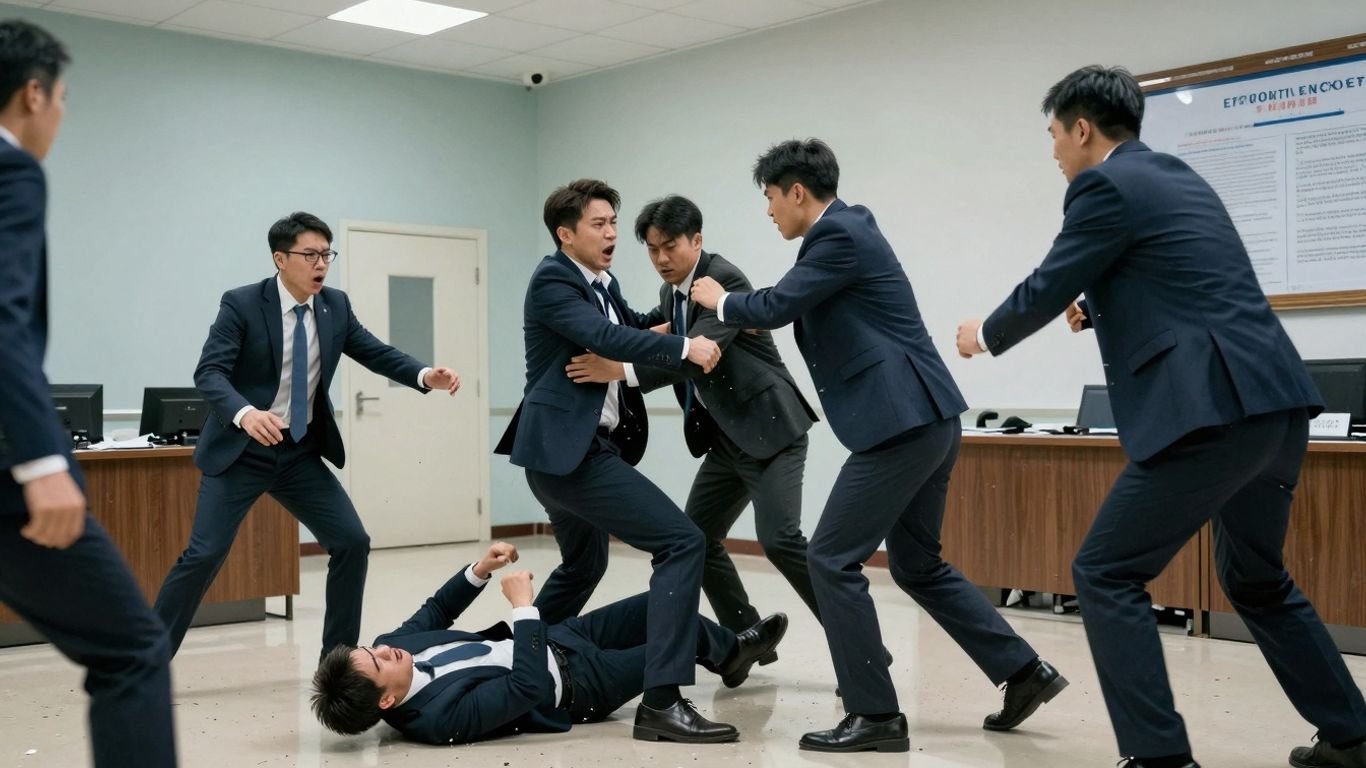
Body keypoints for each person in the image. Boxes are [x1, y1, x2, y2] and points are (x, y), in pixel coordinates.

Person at [954, 65, 1366, 768]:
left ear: (1082, 129)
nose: (1053, 151)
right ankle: (1354, 736)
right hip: (1276, 406)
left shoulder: (1101, 185)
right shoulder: (1175, 175)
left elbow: (1051, 280)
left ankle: (1158, 758)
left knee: (1105, 571)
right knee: (1257, 581)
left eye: (1054, 135)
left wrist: (985, 335)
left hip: (1213, 414)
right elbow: (1185, 278)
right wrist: (1104, 304)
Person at [691, 139, 1065, 753]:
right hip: (927, 420)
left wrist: (720, 299)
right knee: (918, 566)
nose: (768, 213)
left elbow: (778, 303)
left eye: (769, 199)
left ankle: (876, 715)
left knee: (831, 558)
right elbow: (788, 308)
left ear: (797, 193)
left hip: (902, 426)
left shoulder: (837, 235)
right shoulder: (844, 236)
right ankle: (1026, 672)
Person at [153, 211, 462, 659]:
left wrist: (423, 374)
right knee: (203, 555)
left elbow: (373, 351)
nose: (321, 264)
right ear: (280, 258)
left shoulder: (334, 306)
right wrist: (243, 413)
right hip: (241, 452)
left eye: (326, 254)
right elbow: (210, 372)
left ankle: (335, 663)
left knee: (352, 542)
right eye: (310, 255)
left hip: (297, 454)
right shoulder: (241, 304)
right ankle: (148, 661)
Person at [494, 179, 736, 743]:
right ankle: (662, 700)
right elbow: (602, 335)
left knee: (584, 566)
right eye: (599, 225)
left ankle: (513, 660)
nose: (611, 235)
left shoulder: (601, 280)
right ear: (566, 233)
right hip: (570, 455)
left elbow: (627, 325)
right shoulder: (553, 279)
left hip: (565, 456)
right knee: (682, 542)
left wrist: (688, 306)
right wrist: (683, 348)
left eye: (611, 223)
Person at [0, 19, 177, 766]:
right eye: (63, 98)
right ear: (33, 93)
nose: (62, 116)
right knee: (133, 649)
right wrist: (43, 463)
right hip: (10, 474)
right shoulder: (12, 172)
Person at [565, 194, 821, 651]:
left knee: (780, 540)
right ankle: (747, 638)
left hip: (773, 430)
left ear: (697, 239)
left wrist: (618, 371)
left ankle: (862, 650)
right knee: (695, 540)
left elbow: (697, 356)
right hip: (727, 441)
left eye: (670, 246)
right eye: (652, 249)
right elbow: (663, 335)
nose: (661, 259)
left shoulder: (722, 278)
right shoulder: (673, 293)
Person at [310, 542, 786, 744]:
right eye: (377, 662)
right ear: (388, 699)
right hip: (580, 686)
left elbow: (436, 611)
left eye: (369, 648)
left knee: (662, 603)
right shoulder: (438, 720)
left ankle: (730, 656)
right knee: (677, 639)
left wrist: (481, 569)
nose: (384, 649)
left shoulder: (394, 645)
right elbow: (526, 687)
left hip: (563, 638)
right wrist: (523, 609)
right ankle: (729, 653)